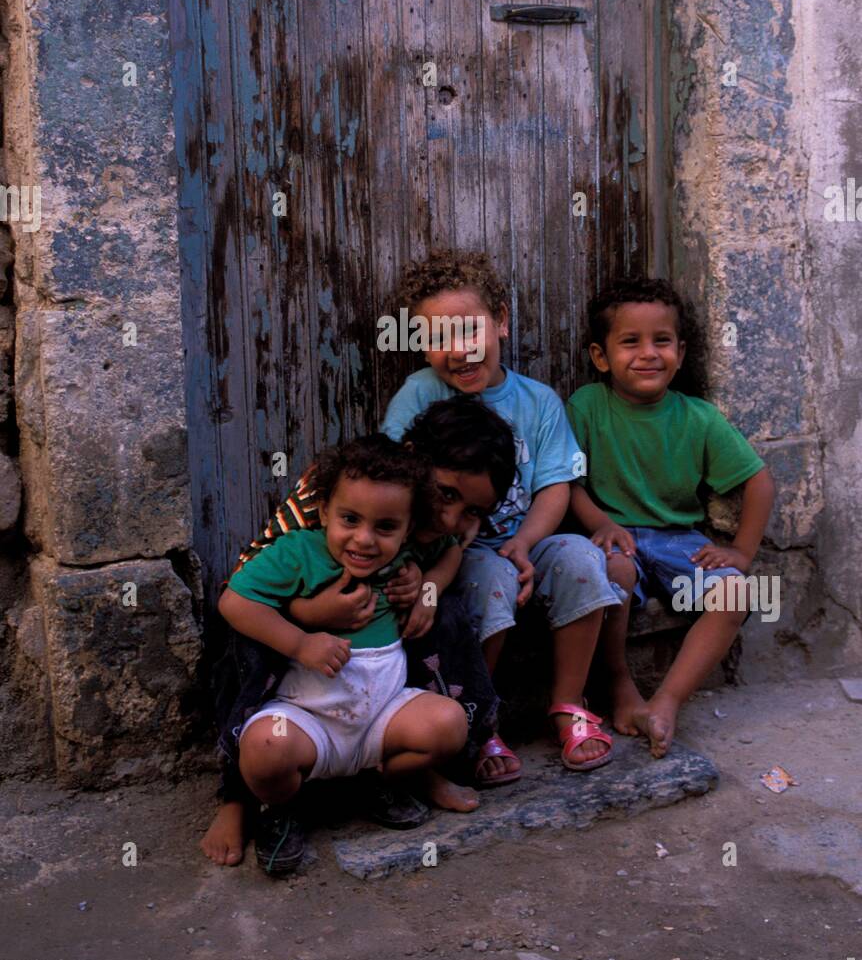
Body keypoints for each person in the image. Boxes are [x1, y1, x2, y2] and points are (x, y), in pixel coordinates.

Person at [201, 396, 518, 868]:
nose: (453, 519)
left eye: (473, 512)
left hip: (375, 678)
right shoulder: (337, 499)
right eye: (448, 496)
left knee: (444, 614)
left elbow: (450, 548)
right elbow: (241, 590)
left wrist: (427, 590)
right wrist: (309, 616)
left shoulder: (425, 518)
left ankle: (401, 771)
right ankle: (238, 796)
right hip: (294, 637)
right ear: (415, 462)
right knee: (247, 646)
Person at [382, 250, 622, 785]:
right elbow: (392, 476)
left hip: (526, 539)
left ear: (502, 322)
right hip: (458, 552)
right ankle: (480, 717)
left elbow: (554, 486)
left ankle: (567, 704)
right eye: (438, 337)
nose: (459, 350)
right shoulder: (420, 395)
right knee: (490, 577)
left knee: (583, 558)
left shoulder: (537, 402)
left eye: (471, 329)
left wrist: (527, 541)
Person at [567, 276, 775, 758]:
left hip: (679, 540)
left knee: (736, 590)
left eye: (661, 341)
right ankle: (620, 687)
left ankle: (668, 700)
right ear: (601, 357)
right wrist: (599, 523)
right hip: (615, 537)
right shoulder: (587, 406)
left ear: (680, 353)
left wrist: (741, 552)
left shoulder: (698, 417)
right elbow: (568, 484)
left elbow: (758, 482)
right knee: (614, 572)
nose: (648, 354)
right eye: (630, 342)